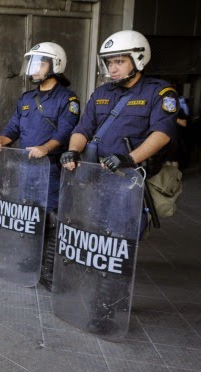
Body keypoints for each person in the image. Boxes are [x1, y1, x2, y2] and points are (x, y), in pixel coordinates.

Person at [60, 30, 178, 334]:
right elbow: (83, 127)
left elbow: (162, 133)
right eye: (109, 62)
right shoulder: (102, 92)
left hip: (129, 184)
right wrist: (73, 149)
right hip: (97, 180)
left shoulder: (159, 93)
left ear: (138, 59)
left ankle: (108, 310)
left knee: (119, 246)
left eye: (119, 61)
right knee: (97, 240)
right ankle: (100, 297)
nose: (112, 68)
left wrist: (130, 158)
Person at [0, 42, 80, 290]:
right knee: (30, 215)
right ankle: (31, 261)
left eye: (39, 62)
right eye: (32, 62)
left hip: (49, 167)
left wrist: (45, 148)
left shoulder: (67, 99)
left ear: (55, 65)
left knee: (51, 217)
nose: (33, 68)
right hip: (26, 169)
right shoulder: (27, 98)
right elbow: (13, 127)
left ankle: (49, 269)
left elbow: (65, 131)